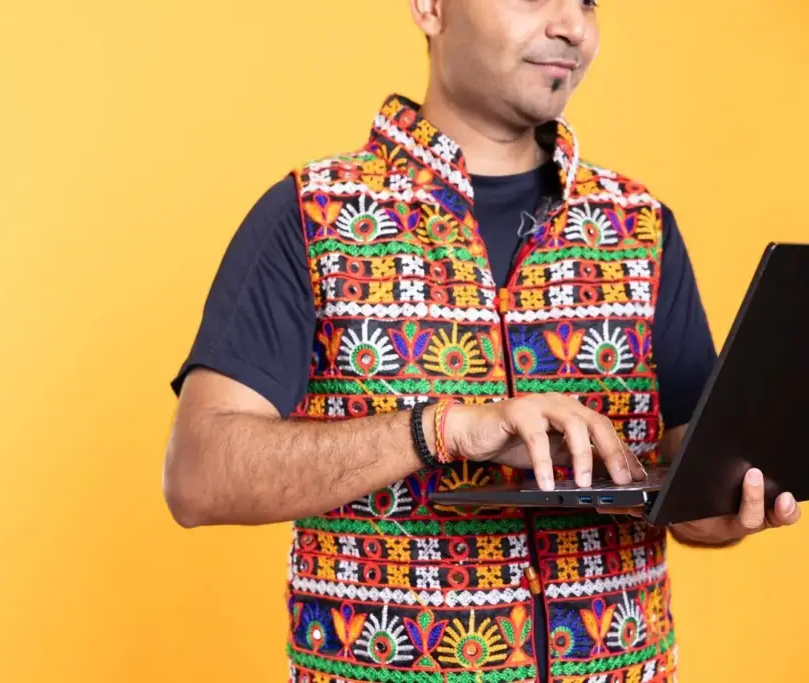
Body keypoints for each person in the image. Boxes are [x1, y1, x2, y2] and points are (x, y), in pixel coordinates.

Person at [163, 1, 801, 682]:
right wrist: (441, 430)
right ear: (431, 7)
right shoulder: (311, 216)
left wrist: (728, 505)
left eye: (588, 1)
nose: (570, 26)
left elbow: (688, 484)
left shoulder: (639, 227)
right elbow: (198, 477)